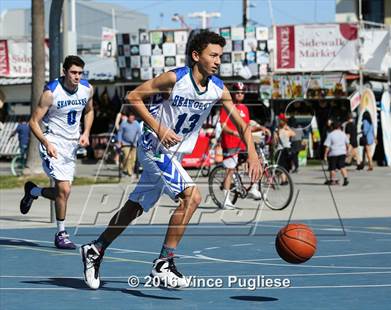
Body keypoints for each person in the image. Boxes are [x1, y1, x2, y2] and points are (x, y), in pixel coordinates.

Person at [80, 30, 262, 290]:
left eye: (220, 56)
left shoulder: (218, 88)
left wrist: (253, 153)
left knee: (133, 208)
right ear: (196, 55)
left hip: (174, 153)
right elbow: (132, 97)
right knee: (192, 197)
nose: (218, 61)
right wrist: (159, 128)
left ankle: (95, 249)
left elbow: (242, 124)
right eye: (213, 55)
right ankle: (164, 262)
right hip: (154, 145)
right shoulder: (175, 79)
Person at [20, 55, 94, 249]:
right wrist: (46, 142)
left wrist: (86, 132)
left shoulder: (87, 89)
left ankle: (33, 191)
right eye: (73, 72)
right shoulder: (51, 92)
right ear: (64, 71)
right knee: (64, 190)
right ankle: (61, 233)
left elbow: (89, 111)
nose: (77, 76)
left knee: (63, 193)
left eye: (80, 73)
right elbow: (33, 122)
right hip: (52, 141)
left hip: (71, 145)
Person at [219, 82, 267, 208]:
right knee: (230, 170)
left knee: (256, 160)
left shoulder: (245, 108)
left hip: (242, 144)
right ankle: (226, 199)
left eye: (242, 92)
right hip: (230, 142)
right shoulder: (227, 106)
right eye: (238, 92)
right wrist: (234, 132)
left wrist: (260, 127)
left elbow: (247, 125)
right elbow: (223, 125)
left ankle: (253, 187)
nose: (240, 94)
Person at [323, 120, 349, 186]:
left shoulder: (330, 134)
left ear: (332, 127)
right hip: (342, 152)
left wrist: (325, 155)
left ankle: (333, 180)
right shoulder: (343, 134)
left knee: (332, 168)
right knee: (342, 166)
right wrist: (347, 151)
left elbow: (327, 146)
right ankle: (345, 179)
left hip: (333, 153)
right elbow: (347, 144)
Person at [116, 112, 141, 177]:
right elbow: (120, 133)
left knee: (133, 159)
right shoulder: (123, 123)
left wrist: (139, 142)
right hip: (125, 143)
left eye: (133, 116)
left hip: (134, 144)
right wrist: (119, 142)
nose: (132, 118)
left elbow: (139, 133)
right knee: (127, 157)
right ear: (128, 117)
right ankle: (130, 173)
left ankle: (125, 170)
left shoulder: (136, 124)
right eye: (130, 116)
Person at [274, 113, 295, 184]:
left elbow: (275, 141)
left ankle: (283, 180)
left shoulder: (278, 131)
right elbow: (294, 134)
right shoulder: (287, 131)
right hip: (288, 149)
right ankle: (285, 180)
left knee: (281, 165)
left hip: (281, 150)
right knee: (286, 165)